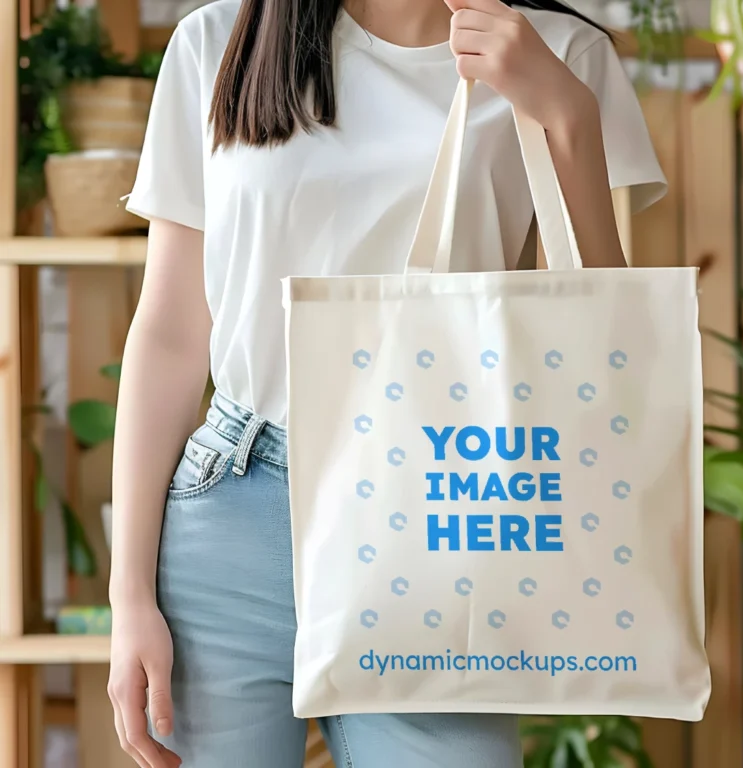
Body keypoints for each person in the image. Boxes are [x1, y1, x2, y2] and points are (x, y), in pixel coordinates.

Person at [107, 0, 665, 764]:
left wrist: (565, 116)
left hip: (442, 512)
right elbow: (170, 334)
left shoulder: (561, 52)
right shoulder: (219, 43)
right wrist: (129, 595)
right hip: (233, 512)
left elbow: (609, 342)